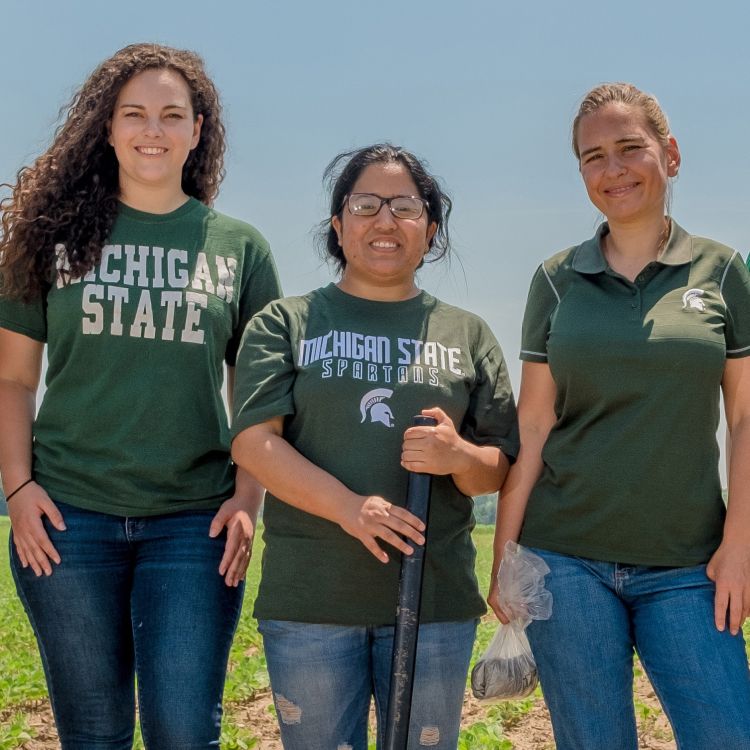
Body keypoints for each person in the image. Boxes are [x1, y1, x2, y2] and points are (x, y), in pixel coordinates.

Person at [0, 43, 281, 748]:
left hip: (193, 522)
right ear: (107, 128)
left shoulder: (239, 248)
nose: (151, 129)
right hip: (68, 519)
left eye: (170, 114)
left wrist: (248, 500)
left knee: (183, 733)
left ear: (197, 129)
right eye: (134, 114)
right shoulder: (52, 241)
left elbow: (256, 391)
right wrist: (17, 488)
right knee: (92, 735)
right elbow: (11, 379)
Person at [230, 143, 519, 750]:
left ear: (430, 228)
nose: (385, 221)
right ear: (338, 225)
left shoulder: (467, 334)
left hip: (434, 601)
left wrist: (459, 458)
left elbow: (499, 467)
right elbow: (256, 444)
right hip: (312, 600)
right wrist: (349, 508)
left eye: (405, 207)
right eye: (365, 205)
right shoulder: (286, 323)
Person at [488, 82, 750, 750]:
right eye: (592, 156)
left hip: (690, 563)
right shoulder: (555, 280)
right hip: (565, 560)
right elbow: (536, 426)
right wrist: (505, 557)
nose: (613, 169)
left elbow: (745, 416)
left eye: (630, 148)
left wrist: (740, 546)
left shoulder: (723, 274)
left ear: (671, 154)